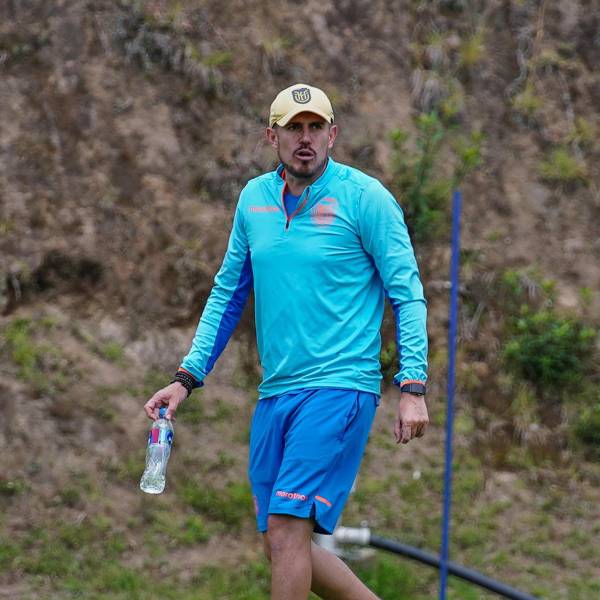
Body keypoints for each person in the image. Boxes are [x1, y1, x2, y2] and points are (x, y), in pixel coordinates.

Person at [144, 83, 429, 600]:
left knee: (286, 527)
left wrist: (412, 385)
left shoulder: (366, 198)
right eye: (293, 128)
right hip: (276, 392)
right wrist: (185, 378)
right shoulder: (253, 199)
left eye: (315, 127)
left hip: (340, 386)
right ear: (271, 136)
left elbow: (406, 294)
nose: (305, 138)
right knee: (276, 541)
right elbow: (228, 294)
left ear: (332, 135)